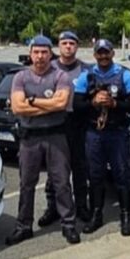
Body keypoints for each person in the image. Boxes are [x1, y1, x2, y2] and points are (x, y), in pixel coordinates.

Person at [6, 35, 80, 245]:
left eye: (44, 52)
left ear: (50, 54)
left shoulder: (60, 76)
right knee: (26, 184)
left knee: (62, 182)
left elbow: (61, 104)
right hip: (30, 139)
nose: (40, 57)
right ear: (30, 54)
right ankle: (24, 226)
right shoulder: (20, 77)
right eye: (36, 52)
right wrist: (47, 104)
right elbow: (17, 108)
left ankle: (68, 224)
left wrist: (32, 102)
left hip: (56, 135)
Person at [74, 38, 130, 236]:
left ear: (112, 53)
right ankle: (96, 214)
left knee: (122, 174)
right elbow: (77, 106)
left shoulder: (124, 75)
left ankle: (126, 216)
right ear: (94, 55)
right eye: (99, 53)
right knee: (95, 175)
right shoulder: (87, 76)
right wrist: (93, 102)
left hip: (117, 132)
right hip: (94, 133)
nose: (103, 56)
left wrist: (115, 104)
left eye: (106, 52)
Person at [38, 30, 91, 227]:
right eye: (64, 43)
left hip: (78, 126)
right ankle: (53, 207)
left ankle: (82, 206)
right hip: (54, 125)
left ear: (77, 46)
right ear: (58, 46)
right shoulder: (48, 68)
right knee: (55, 171)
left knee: (79, 168)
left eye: (72, 43)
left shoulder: (86, 70)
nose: (68, 46)